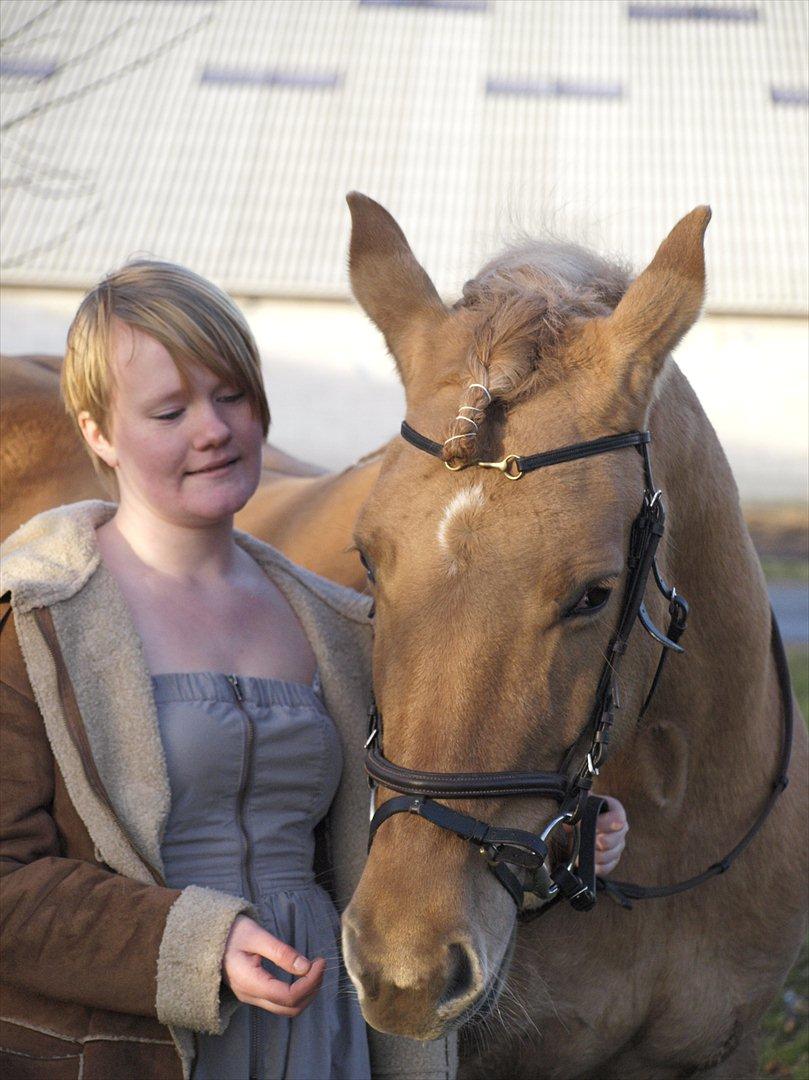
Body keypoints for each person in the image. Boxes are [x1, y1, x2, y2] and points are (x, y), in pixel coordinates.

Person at [0, 260, 628, 1080]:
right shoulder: (41, 623)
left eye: (232, 395)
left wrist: (558, 835)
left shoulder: (336, 623)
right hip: (135, 1045)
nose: (213, 430)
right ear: (96, 433)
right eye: (168, 410)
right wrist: (198, 944)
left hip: (321, 1035)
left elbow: (413, 819)